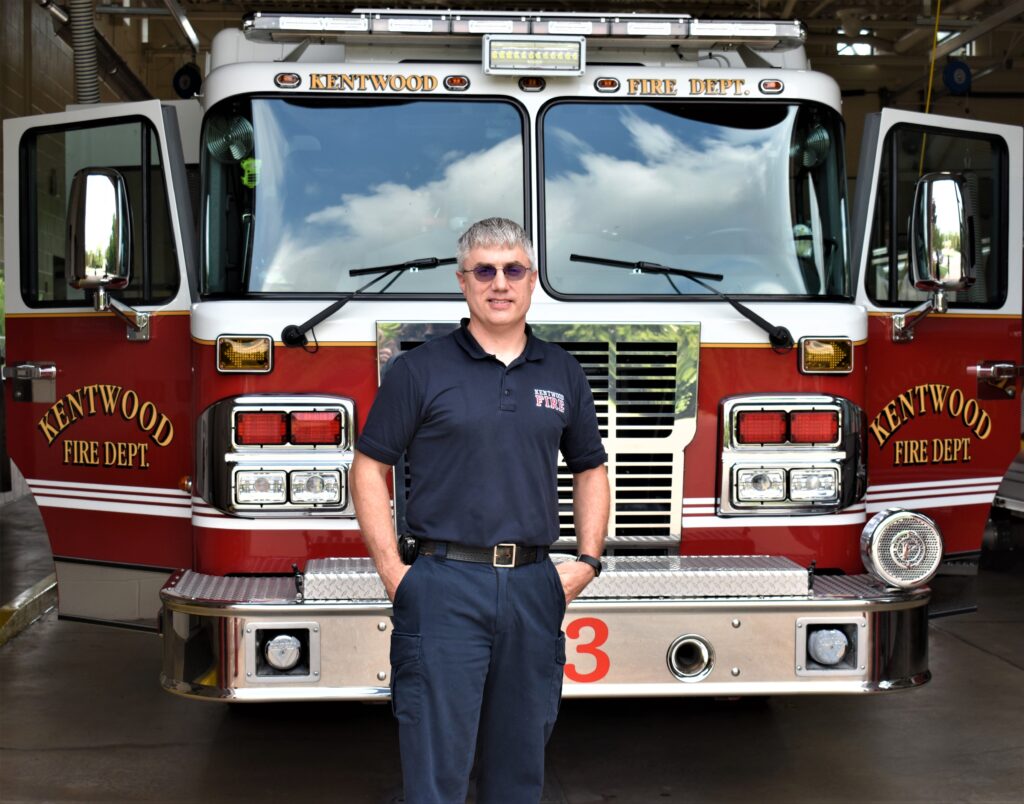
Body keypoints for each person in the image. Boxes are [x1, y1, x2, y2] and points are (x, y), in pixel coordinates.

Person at [351, 217, 610, 804]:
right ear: (463, 282)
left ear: (533, 280)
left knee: (519, 773)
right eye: (485, 270)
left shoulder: (563, 372)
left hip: (533, 587)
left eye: (513, 269)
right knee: (436, 776)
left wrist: (588, 561)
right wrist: (394, 573)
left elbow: (590, 467)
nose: (500, 282)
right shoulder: (419, 370)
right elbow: (369, 467)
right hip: (445, 585)